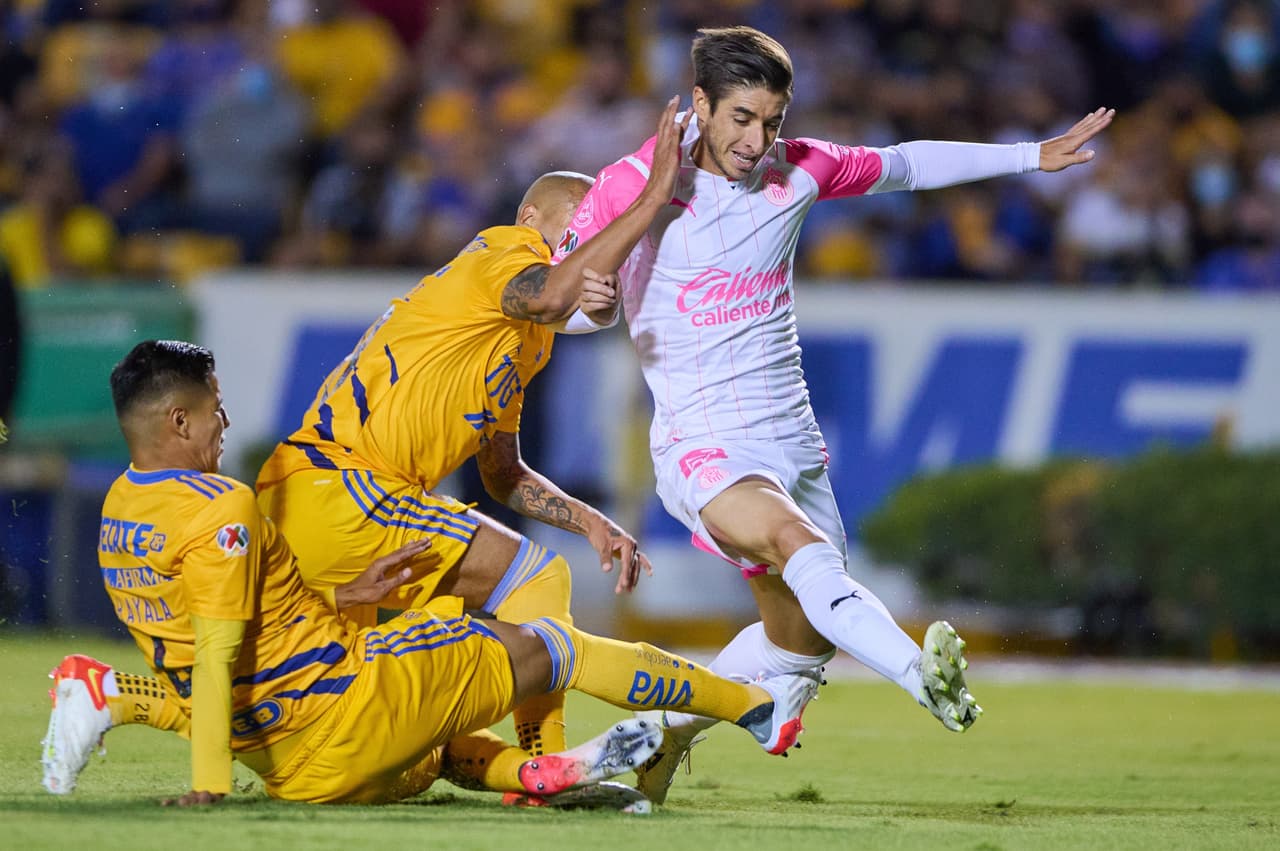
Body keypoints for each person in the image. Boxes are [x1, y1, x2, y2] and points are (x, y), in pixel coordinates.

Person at [551, 26, 1114, 803]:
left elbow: (908, 163)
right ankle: (922, 676)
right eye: (742, 119)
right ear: (702, 105)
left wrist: (1030, 156)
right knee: (793, 542)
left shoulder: (800, 170)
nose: (758, 140)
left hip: (792, 442)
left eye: (772, 120)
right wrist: (592, 305)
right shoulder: (633, 181)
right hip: (700, 441)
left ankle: (629, 747)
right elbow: (561, 302)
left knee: (796, 649)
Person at [40, 339, 818, 806]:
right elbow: (212, 659)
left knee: (440, 736)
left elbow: (207, 646)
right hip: (344, 711)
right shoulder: (222, 506)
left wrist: (346, 597)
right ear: (178, 421)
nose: (225, 422)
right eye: (213, 408)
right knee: (552, 645)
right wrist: (208, 786)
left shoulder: (118, 510)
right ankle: (755, 705)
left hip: (293, 771)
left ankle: (541, 768)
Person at [254, 98, 691, 760]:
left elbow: (502, 474)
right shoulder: (498, 249)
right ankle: (549, 766)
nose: (583, 252)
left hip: (342, 500)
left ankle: (120, 697)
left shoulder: (524, 344)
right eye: (573, 235)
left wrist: (588, 520)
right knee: (537, 578)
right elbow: (548, 291)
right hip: (346, 484)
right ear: (530, 221)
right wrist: (651, 195)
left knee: (383, 733)